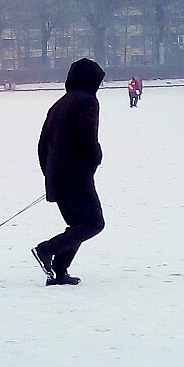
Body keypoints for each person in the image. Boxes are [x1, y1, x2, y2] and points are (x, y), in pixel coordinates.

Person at [32, 58, 106, 286]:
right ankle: (47, 249)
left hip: (58, 177)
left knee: (78, 225)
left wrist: (50, 174)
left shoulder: (58, 105)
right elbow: (88, 137)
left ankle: (59, 271)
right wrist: (96, 157)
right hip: (77, 177)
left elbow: (42, 145)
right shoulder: (87, 102)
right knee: (93, 223)